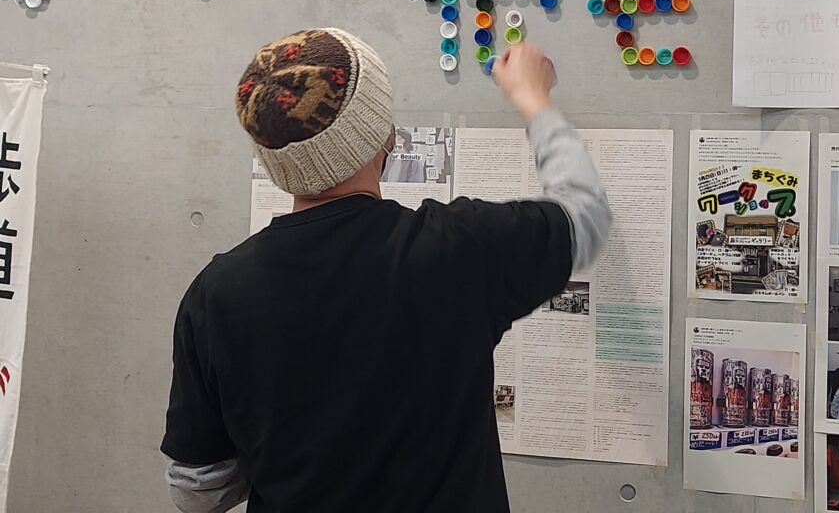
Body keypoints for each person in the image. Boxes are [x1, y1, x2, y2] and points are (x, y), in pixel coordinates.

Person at [160, 31, 612, 513]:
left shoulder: (215, 294)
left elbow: (195, 490)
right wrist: (533, 99)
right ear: (382, 136)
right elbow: (585, 216)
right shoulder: (456, 248)